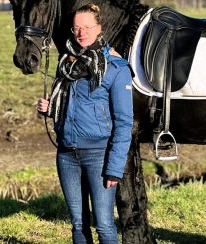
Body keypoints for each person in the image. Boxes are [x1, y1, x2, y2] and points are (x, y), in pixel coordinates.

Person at [37, 3, 133, 243]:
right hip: (67, 153)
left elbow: (124, 123)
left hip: (99, 156)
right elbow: (71, 106)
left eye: (87, 27)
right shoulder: (66, 63)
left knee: (104, 225)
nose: (82, 33)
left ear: (99, 28)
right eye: (77, 28)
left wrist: (115, 168)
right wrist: (52, 109)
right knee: (78, 224)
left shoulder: (115, 67)